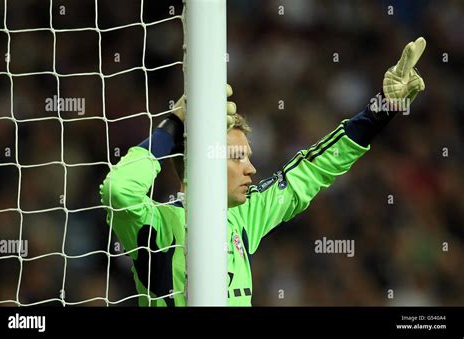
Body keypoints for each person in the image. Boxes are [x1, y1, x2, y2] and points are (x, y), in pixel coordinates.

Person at [100, 37, 426, 306]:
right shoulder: (154, 224)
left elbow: (313, 167)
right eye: (237, 157)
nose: (252, 169)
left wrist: (383, 108)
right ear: (198, 164)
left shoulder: (243, 216)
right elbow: (119, 188)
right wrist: (175, 124)